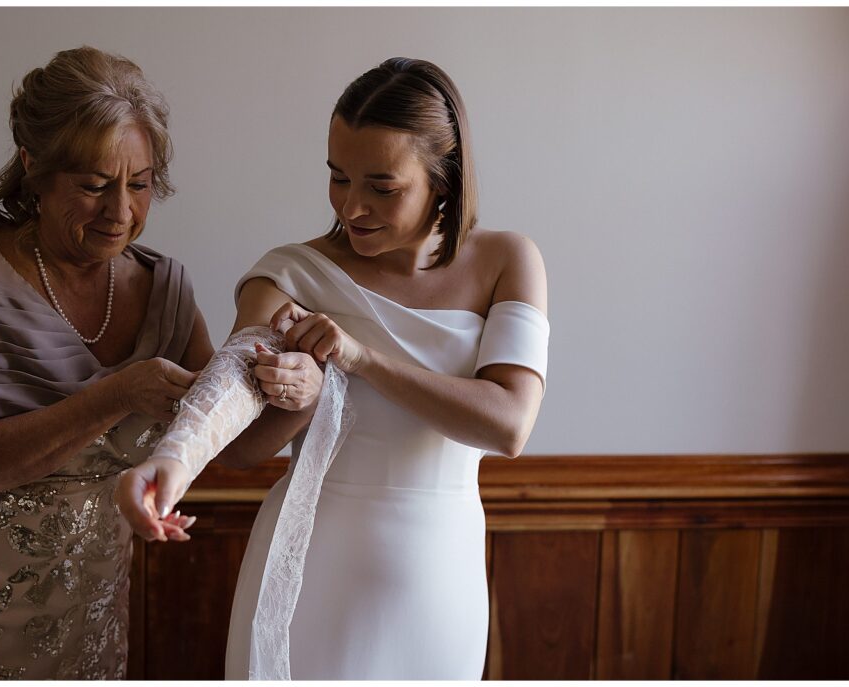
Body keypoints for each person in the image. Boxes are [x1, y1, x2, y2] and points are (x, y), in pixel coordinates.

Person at [0, 46, 323, 680]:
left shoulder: (163, 290)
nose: (120, 212)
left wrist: (301, 391)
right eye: (93, 185)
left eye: (138, 185)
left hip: (89, 582)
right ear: (33, 166)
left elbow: (234, 449)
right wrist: (117, 395)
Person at [116, 57, 549, 679]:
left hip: (439, 577)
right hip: (308, 566)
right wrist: (173, 462)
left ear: (443, 179)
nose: (352, 207)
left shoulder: (509, 260)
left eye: (382, 187)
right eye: (337, 177)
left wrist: (361, 358)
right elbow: (232, 390)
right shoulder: (291, 271)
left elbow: (509, 425)